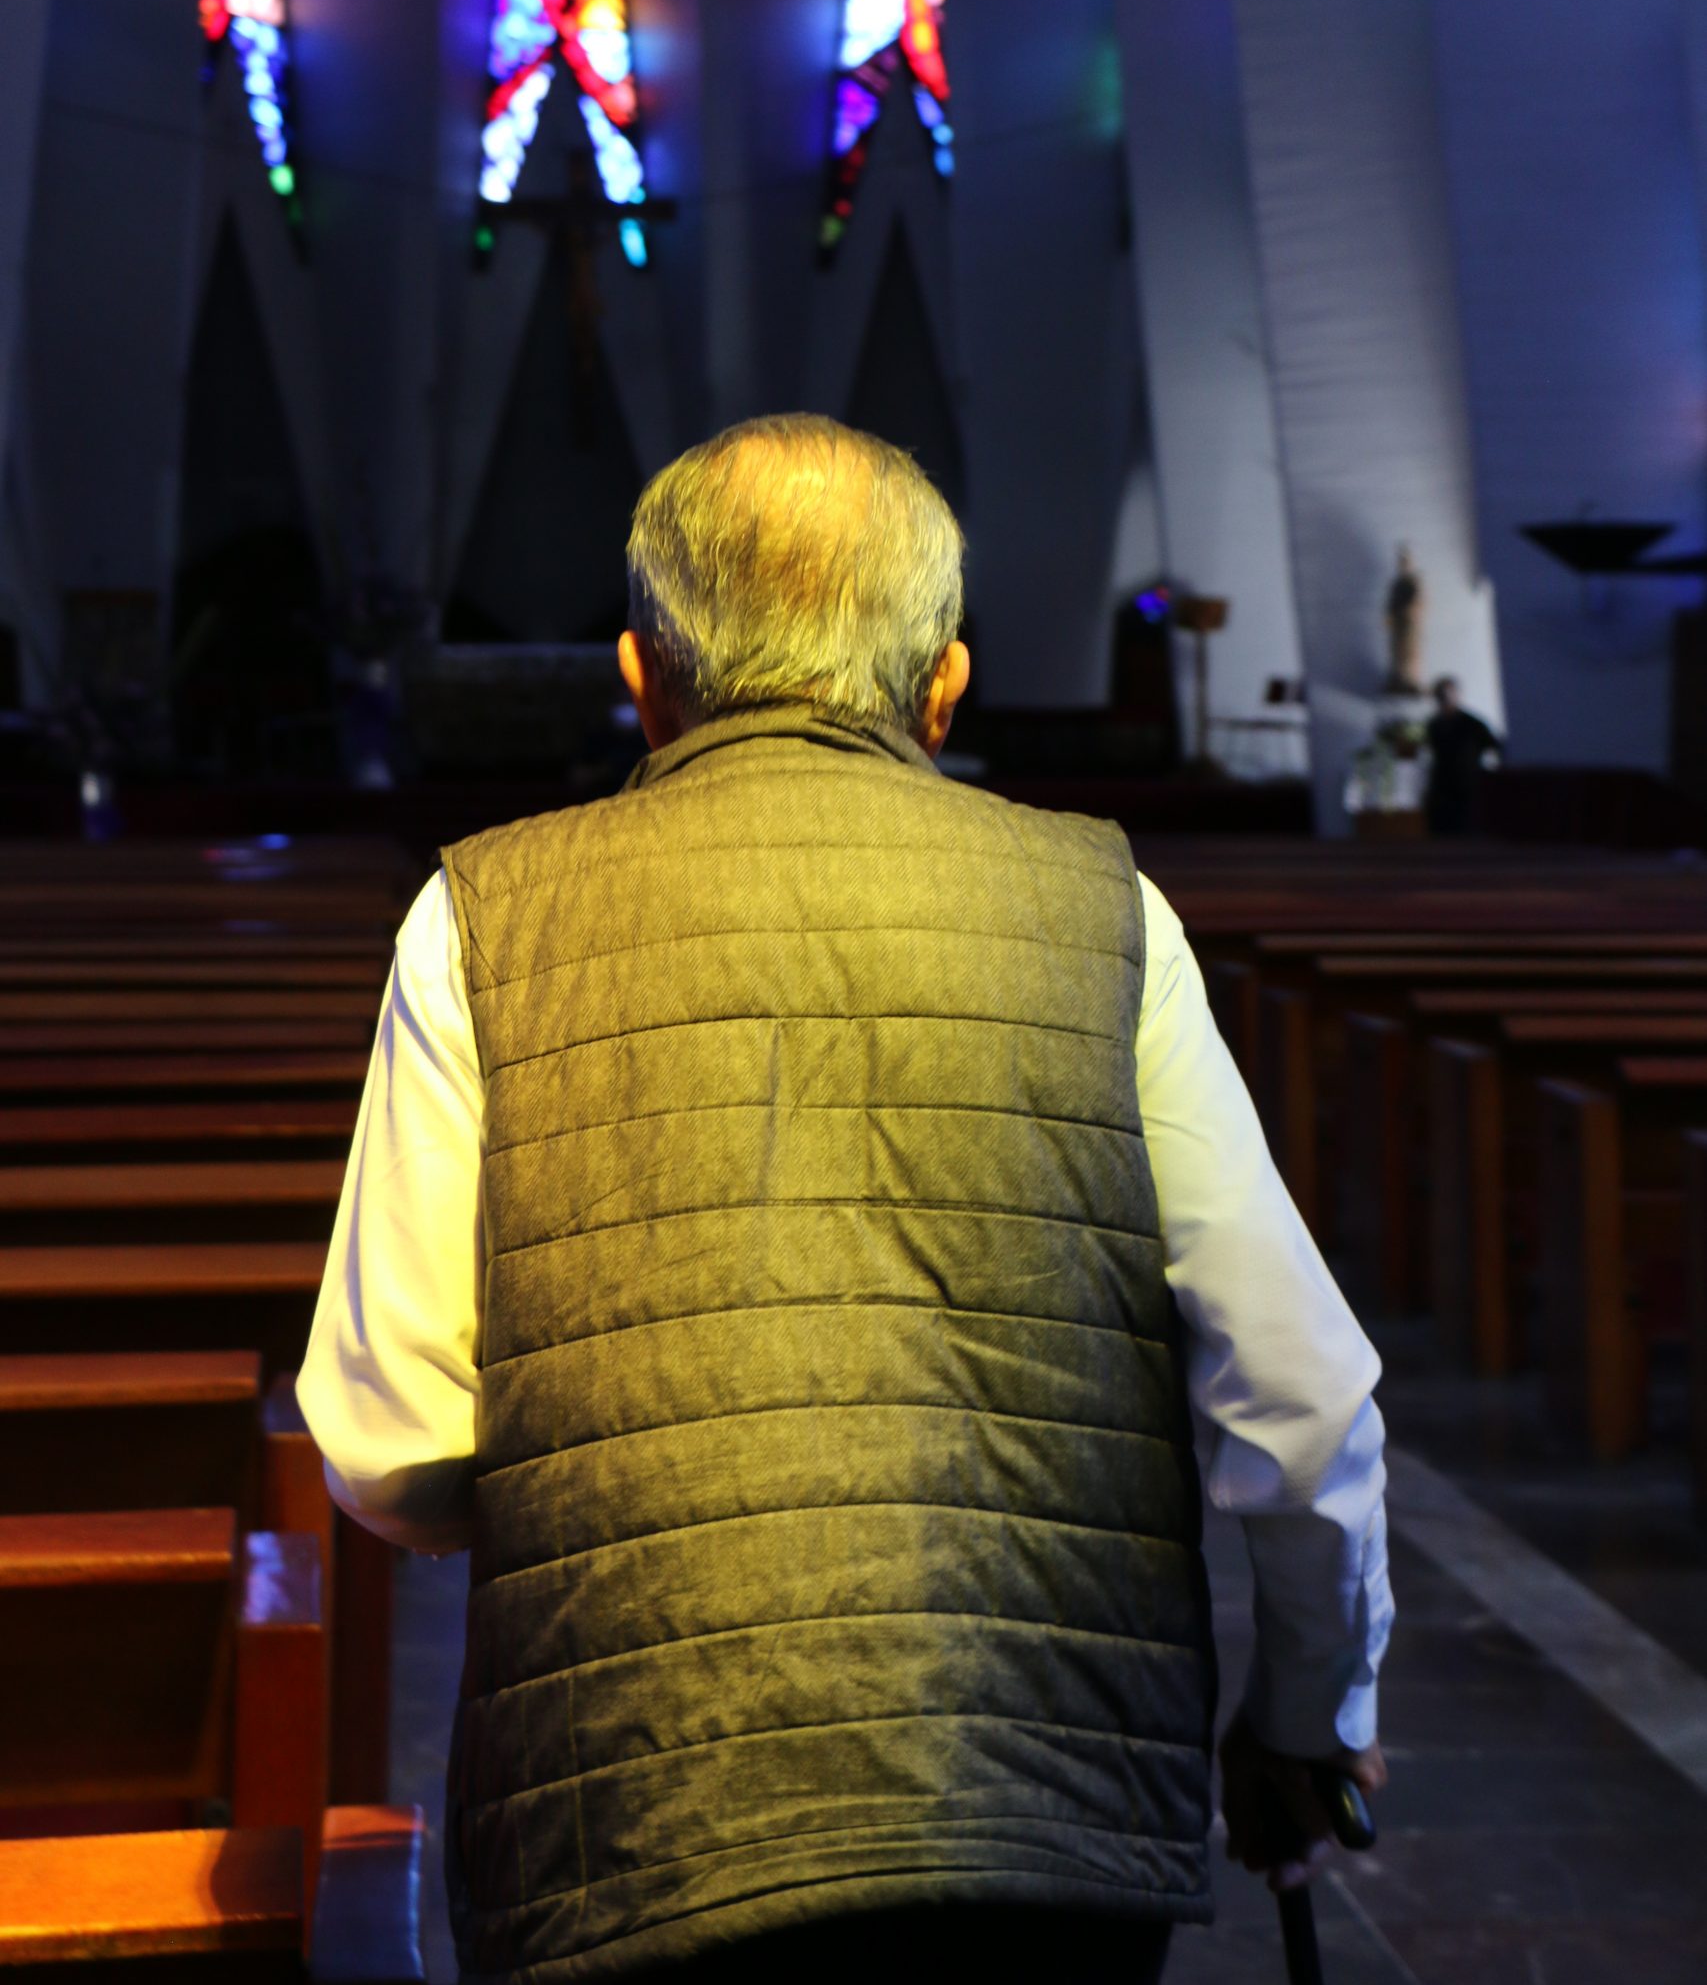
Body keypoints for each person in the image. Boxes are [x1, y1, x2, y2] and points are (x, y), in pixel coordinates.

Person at [299, 416, 1390, 1984]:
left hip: (637, 1812)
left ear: (639, 674)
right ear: (945, 684)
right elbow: (1299, 1405)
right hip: (1040, 1810)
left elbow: (391, 1444)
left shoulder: (475, 921)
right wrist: (1305, 1720)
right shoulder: (1105, 911)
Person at [1424, 676, 1503, 836]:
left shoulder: (1472, 724)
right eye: (1440, 696)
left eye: (1447, 695)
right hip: (1442, 789)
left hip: (1468, 789)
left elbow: (1496, 747)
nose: (1444, 700)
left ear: (1457, 695)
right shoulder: (1434, 725)